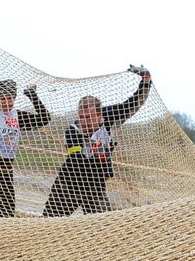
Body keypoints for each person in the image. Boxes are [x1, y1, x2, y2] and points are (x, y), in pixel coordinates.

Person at [42, 65, 153, 217]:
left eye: (88, 117)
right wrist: (103, 161)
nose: (84, 122)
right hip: (69, 183)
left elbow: (134, 102)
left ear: (99, 115)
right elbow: (77, 161)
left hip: (95, 185)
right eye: (81, 117)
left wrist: (145, 81)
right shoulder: (72, 131)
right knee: (50, 221)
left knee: (101, 225)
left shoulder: (110, 119)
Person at [0, 39, 51, 216]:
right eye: (2, 98)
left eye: (9, 98)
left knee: (6, 212)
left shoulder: (18, 116)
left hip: (4, 173)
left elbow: (44, 119)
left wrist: (32, 95)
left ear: (14, 98)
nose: (6, 102)